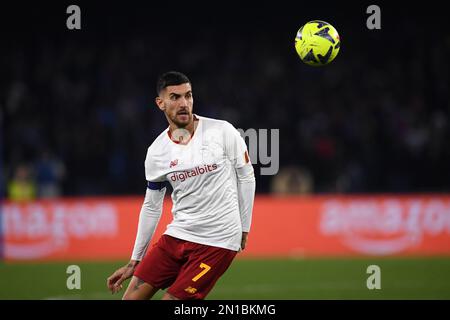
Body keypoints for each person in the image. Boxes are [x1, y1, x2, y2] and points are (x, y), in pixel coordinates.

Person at [107, 71, 256, 300]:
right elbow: (152, 206)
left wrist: (244, 228)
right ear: (160, 103)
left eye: (188, 96)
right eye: (175, 97)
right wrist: (135, 260)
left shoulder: (222, 131)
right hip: (178, 235)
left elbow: (246, 176)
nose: (184, 103)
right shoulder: (157, 152)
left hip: (217, 240)